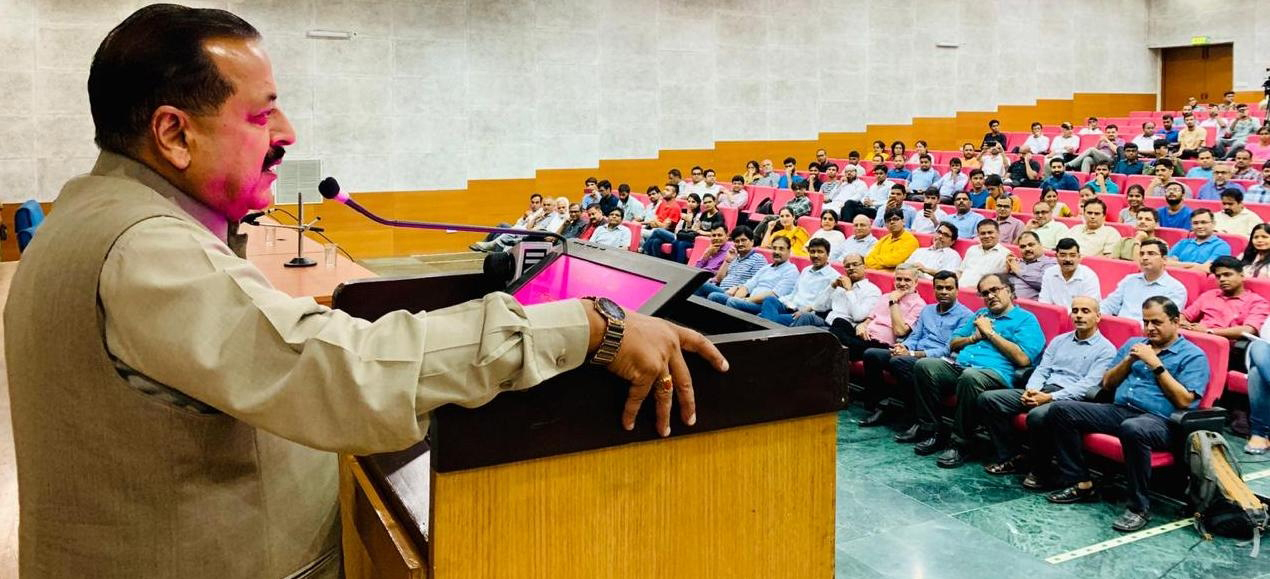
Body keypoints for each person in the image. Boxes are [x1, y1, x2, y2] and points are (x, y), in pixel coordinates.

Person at [5, 6, 731, 577]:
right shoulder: (145, 247)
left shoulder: (94, 211)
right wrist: (588, 327)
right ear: (173, 133)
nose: (286, 133)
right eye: (261, 115)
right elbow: (340, 375)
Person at [1039, 297, 1208, 532]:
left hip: (1161, 421)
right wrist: (1129, 359)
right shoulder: (1134, 343)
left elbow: (1184, 401)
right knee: (1061, 410)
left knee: (1133, 428)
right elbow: (1107, 384)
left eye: (1157, 322)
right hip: (1121, 410)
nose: (1149, 328)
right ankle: (1081, 482)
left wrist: (1156, 365)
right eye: (1146, 322)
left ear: (1176, 321)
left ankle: (1139, 507)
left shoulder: (1193, 356)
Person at [910, 274, 1046, 468]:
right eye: (985, 293)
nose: (990, 296)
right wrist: (974, 338)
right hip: (961, 366)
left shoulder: (1026, 320)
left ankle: (960, 444)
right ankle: (932, 431)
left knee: (970, 378)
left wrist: (990, 334)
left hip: (995, 374)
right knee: (925, 366)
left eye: (995, 290)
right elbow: (954, 343)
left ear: (1008, 291)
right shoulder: (981, 314)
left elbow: (1023, 358)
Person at [976, 297, 1116, 476]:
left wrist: (1050, 398)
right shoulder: (1059, 341)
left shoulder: (1106, 349)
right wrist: (1032, 390)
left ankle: (1041, 470)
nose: (1079, 315)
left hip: (1069, 401)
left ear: (1098, 317)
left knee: (1037, 416)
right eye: (1075, 311)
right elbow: (1042, 369)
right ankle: (1012, 457)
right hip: (1043, 389)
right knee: (989, 399)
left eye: (1085, 311)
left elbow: (1087, 385)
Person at [861, 271, 973, 429]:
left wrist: (911, 354)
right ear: (934, 290)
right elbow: (915, 336)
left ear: (957, 290)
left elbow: (947, 350)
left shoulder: (966, 316)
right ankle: (880, 406)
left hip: (935, 361)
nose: (944, 292)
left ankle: (914, 416)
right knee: (872, 354)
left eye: (949, 288)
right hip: (912, 354)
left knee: (899, 361)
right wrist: (904, 346)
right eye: (939, 288)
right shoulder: (928, 310)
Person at [1181, 256, 1270, 351]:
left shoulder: (1258, 302)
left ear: (1242, 276)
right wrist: (1184, 324)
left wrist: (1209, 332)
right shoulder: (1209, 295)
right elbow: (1185, 315)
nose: (1222, 279)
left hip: (1226, 347)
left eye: (1227, 275)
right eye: (1218, 276)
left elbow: (1248, 330)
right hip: (1194, 341)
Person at [791, 254, 881, 345]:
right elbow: (818, 307)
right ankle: (786, 344)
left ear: (864, 267)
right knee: (805, 316)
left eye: (855, 264)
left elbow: (858, 316)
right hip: (826, 322)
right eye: (847, 266)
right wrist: (832, 287)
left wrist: (849, 291)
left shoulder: (872, 290)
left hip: (844, 330)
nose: (851, 268)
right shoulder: (840, 286)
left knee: (809, 334)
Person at [706, 235, 798, 314]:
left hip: (764, 306)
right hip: (749, 300)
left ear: (789, 251)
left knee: (733, 302)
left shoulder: (791, 271)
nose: (777, 252)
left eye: (781, 249)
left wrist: (747, 300)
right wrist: (738, 297)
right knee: (714, 296)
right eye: (774, 248)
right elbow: (747, 286)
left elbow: (774, 295)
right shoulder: (766, 268)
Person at [1101, 239, 1189, 320]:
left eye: (1151, 254)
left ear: (1165, 259)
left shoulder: (1176, 289)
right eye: (1142, 254)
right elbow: (1109, 305)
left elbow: (1164, 321)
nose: (1144, 258)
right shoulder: (1130, 280)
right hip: (1120, 328)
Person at [758, 239, 839, 325]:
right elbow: (794, 293)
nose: (815, 255)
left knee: (764, 318)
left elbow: (825, 305)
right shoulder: (806, 270)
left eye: (820, 252)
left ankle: (766, 325)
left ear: (828, 254)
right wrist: (780, 301)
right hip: (790, 307)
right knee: (770, 300)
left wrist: (806, 310)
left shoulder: (833, 277)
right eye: (812, 252)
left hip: (805, 314)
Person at [694, 225, 766, 297]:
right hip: (722, 289)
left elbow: (757, 282)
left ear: (752, 242)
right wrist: (727, 261)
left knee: (702, 286)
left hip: (736, 294)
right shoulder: (734, 257)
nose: (740, 244)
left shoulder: (758, 259)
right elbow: (719, 279)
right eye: (737, 241)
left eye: (743, 240)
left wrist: (738, 289)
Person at [1039, 238, 1102, 308]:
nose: (1068, 259)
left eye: (1072, 255)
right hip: (1054, 316)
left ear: (1079, 257)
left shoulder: (1089, 276)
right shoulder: (1049, 273)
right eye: (1063, 255)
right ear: (1056, 256)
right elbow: (1044, 303)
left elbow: (1088, 308)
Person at [958, 219, 1011, 289]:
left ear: (998, 233)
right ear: (978, 235)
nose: (986, 236)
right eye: (983, 233)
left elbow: (999, 284)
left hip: (980, 294)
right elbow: (960, 272)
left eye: (990, 232)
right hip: (958, 290)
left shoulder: (1005, 254)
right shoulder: (972, 249)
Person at [1004, 231, 1056, 300]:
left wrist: (1018, 271)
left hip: (1029, 307)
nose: (1027, 249)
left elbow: (1045, 284)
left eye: (1031, 245)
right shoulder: (1016, 262)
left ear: (1040, 245)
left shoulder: (1050, 263)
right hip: (1005, 303)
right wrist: (1006, 272)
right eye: (1023, 247)